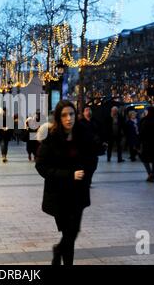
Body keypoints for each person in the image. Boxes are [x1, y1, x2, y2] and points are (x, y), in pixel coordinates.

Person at [35, 101, 91, 265]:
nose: (69, 118)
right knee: (69, 233)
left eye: (72, 114)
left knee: (72, 233)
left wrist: (87, 171)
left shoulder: (82, 135)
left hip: (78, 193)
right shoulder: (51, 138)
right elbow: (41, 166)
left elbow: (90, 157)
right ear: (59, 118)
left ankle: (58, 250)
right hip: (59, 195)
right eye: (64, 115)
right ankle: (61, 255)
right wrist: (68, 175)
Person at [77, 107, 106, 187]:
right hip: (84, 149)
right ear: (83, 113)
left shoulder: (96, 122)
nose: (88, 112)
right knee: (85, 166)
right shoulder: (80, 123)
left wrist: (102, 142)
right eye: (86, 110)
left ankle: (88, 179)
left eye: (90, 110)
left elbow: (101, 133)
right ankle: (86, 181)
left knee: (93, 166)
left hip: (94, 149)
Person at [139, 106, 154, 182]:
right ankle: (153, 175)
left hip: (147, 143)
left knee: (144, 159)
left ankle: (150, 173)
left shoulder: (144, 120)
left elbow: (141, 133)